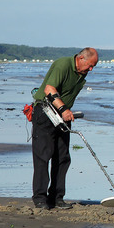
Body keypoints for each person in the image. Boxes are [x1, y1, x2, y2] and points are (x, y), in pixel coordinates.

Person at [31, 47, 99, 209]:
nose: (90, 69)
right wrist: (63, 109)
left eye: (93, 67)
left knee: (62, 158)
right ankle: (40, 198)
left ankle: (57, 197)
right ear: (81, 58)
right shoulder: (62, 65)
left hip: (62, 116)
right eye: (89, 65)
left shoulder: (82, 73)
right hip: (45, 111)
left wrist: (65, 112)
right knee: (43, 155)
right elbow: (49, 89)